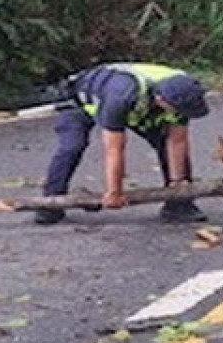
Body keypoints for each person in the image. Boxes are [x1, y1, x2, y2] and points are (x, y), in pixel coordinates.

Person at [36, 62, 210, 225]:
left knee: (165, 142)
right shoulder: (121, 97)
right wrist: (114, 192)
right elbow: (114, 149)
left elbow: (177, 141)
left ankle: (179, 205)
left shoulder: (185, 90)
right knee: (72, 146)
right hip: (80, 101)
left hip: (141, 104)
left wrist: (178, 182)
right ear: (161, 100)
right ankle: (50, 204)